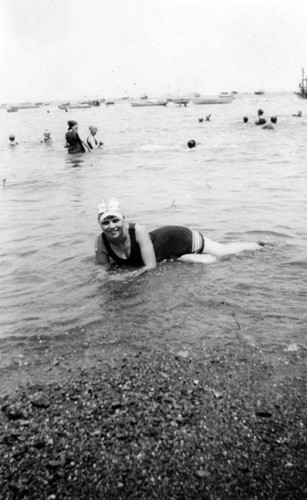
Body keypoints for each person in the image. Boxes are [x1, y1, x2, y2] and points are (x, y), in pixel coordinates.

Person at [95, 198, 263, 277]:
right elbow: (102, 269)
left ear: (123, 221)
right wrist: (104, 280)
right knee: (202, 260)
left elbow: (151, 267)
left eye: (115, 220)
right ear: (100, 225)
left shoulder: (138, 231)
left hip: (179, 237)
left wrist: (126, 276)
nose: (111, 226)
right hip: (168, 252)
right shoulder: (101, 241)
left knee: (224, 252)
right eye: (106, 223)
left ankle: (258, 245)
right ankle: (184, 258)